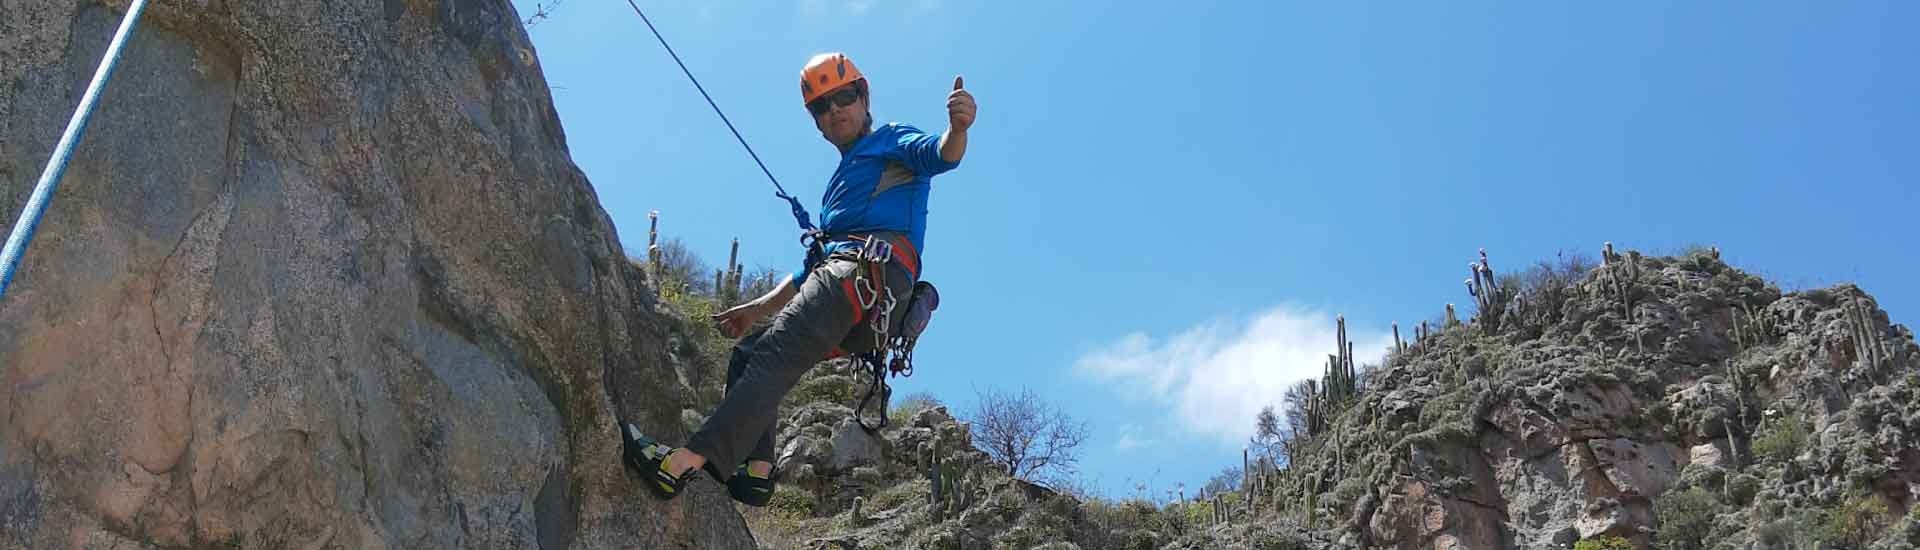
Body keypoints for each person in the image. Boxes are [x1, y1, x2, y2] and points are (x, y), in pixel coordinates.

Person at [622, 52, 976, 505]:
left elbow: (940, 155)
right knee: (751, 352)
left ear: (864, 97)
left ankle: (680, 464)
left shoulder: (890, 141)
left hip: (862, 276)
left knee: (771, 355)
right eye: (821, 107)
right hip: (862, 303)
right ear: (816, 121)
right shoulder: (841, 186)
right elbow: (809, 272)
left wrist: (959, 129)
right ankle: (757, 469)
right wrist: (753, 310)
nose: (834, 111)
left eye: (844, 98)